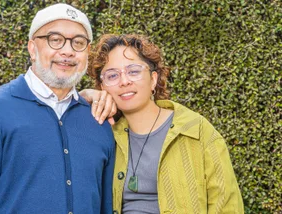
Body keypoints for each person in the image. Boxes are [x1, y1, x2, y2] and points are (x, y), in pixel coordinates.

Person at [0, 4, 115, 213]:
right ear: (32, 49)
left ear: (87, 53)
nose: (67, 51)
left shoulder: (98, 120)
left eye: (78, 43)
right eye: (55, 40)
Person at [83, 34, 244, 213]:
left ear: (153, 79)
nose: (124, 81)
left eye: (133, 71)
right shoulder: (104, 136)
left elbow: (227, 205)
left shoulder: (196, 130)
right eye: (112, 75)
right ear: (103, 87)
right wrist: (84, 97)